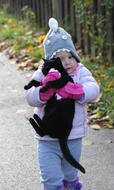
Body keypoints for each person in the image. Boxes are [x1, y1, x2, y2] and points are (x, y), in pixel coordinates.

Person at [25, 18, 100, 190]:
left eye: (69, 56)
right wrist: (44, 91)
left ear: (75, 56)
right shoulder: (42, 74)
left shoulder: (81, 71)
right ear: (49, 62)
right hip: (47, 139)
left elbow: (94, 89)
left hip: (73, 136)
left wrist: (78, 91)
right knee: (51, 179)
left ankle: (71, 184)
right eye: (59, 59)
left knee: (69, 175)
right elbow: (30, 97)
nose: (66, 62)